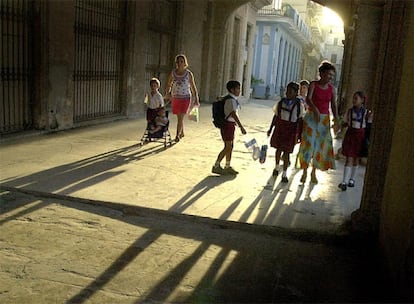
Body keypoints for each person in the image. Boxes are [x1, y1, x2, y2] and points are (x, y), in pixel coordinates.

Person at [298, 61, 339, 184]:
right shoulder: (313, 85)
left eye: (332, 75)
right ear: (321, 73)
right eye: (328, 74)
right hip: (311, 118)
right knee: (308, 144)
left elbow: (334, 104)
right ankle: (304, 171)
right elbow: (308, 99)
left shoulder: (332, 89)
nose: (330, 77)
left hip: (324, 120)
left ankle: (313, 172)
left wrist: (336, 119)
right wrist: (315, 109)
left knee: (319, 147)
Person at [267, 82, 304, 183]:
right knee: (278, 149)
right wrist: (271, 129)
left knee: (287, 152)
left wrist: (299, 135)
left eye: (290, 91)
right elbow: (276, 116)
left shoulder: (299, 105)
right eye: (287, 91)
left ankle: (284, 173)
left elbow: (300, 120)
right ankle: (276, 166)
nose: (288, 93)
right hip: (280, 128)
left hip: (291, 130)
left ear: (296, 93)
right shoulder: (281, 102)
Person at [338, 91, 373, 191]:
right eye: (353, 98)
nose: (354, 100)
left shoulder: (366, 113)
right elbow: (346, 122)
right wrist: (339, 126)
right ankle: (344, 181)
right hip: (351, 134)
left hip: (360, 136)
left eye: (356, 98)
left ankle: (352, 179)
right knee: (349, 157)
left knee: (356, 158)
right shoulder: (350, 111)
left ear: (362, 100)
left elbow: (369, 125)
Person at [212, 80, 246, 175]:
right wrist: (241, 126)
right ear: (232, 89)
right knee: (228, 147)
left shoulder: (230, 98)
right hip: (227, 125)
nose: (239, 90)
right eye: (238, 88)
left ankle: (227, 165)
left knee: (230, 146)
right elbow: (233, 114)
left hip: (230, 125)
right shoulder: (231, 100)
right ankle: (216, 165)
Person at [165, 54, 200, 142]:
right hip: (175, 97)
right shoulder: (173, 73)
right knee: (179, 117)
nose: (180, 63)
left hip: (186, 98)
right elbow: (168, 84)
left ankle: (177, 135)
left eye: (182, 61)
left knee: (181, 117)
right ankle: (182, 132)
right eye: (178, 61)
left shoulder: (188, 74)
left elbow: (193, 86)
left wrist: (196, 97)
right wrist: (168, 93)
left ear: (185, 63)